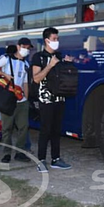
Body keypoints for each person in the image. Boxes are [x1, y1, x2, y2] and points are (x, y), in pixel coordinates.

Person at [31, 27, 73, 172]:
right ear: (46, 40)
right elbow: (36, 78)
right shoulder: (38, 57)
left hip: (59, 97)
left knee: (56, 130)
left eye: (57, 39)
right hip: (46, 99)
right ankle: (41, 160)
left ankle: (56, 159)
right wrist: (50, 65)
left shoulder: (59, 56)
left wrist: (67, 63)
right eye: (54, 39)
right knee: (45, 130)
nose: (57, 42)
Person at [0, 38, 33, 163]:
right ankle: (6, 153)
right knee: (7, 128)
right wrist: (5, 75)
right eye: (24, 47)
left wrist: (26, 100)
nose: (26, 50)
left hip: (21, 100)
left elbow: (25, 83)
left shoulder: (26, 64)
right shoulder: (6, 59)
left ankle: (20, 152)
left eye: (28, 48)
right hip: (7, 99)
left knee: (23, 127)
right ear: (18, 46)